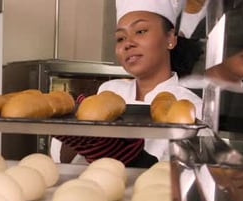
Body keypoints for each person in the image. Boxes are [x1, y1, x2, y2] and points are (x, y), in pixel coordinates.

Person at [51, 0, 203, 168]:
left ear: (170, 38)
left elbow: (188, 174)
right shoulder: (109, 91)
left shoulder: (192, 107)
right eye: (120, 38)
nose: (128, 43)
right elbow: (63, 161)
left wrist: (128, 155)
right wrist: (75, 128)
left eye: (140, 31)